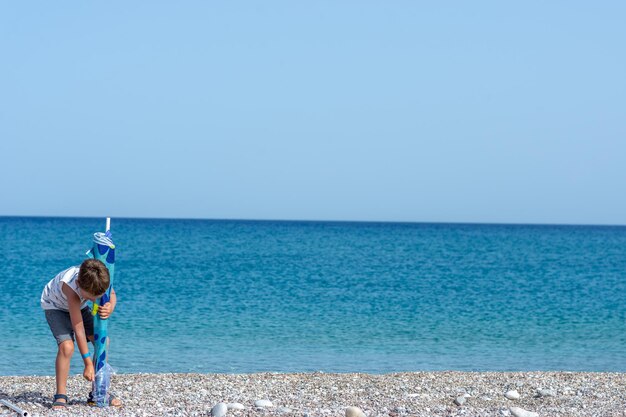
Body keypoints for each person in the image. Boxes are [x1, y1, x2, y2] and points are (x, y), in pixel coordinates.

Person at [41, 258, 122, 409]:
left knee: (103, 341)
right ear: (79, 285)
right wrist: (87, 363)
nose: (96, 300)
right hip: (55, 306)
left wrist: (110, 306)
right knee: (67, 347)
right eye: (93, 297)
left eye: (99, 295)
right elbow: (79, 329)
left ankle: (98, 392)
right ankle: (60, 395)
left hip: (80, 305)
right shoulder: (71, 288)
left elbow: (111, 294)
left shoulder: (98, 278)